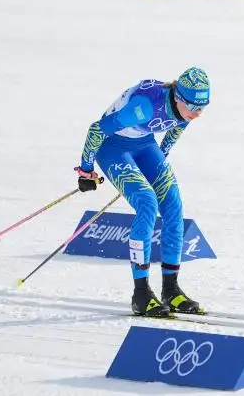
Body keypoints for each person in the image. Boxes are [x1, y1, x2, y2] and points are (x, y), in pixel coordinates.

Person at [74, 67, 210, 317]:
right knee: (147, 203)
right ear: (178, 97)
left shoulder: (185, 110)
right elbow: (96, 130)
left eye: (203, 107)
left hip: (145, 144)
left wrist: (156, 166)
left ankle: (171, 290)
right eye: (193, 106)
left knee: (172, 204)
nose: (198, 113)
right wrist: (86, 171)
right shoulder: (144, 107)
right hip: (113, 148)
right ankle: (141, 294)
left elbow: (174, 130)